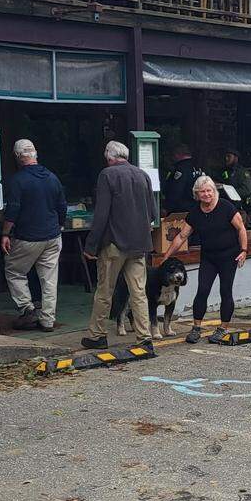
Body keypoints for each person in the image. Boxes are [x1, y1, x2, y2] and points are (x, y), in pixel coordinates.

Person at [82, 140, 159, 349]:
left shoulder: (107, 175)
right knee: (139, 292)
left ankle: (97, 335)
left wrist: (91, 246)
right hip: (140, 244)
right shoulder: (142, 175)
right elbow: (153, 213)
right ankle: (144, 337)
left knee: (105, 290)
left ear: (108, 157)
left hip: (114, 244)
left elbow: (101, 214)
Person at [161, 175, 249, 344]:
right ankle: (196, 328)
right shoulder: (195, 213)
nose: (207, 194)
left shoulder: (226, 207)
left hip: (228, 256)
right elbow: (181, 236)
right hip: (208, 257)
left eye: (209, 191)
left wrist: (244, 250)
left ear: (214, 191)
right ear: (197, 194)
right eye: (203, 192)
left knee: (225, 291)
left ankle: (223, 327)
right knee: (202, 290)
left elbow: (241, 229)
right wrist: (166, 256)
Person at [1, 139, 66, 332]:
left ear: (18, 157)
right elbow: (62, 206)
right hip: (53, 236)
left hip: (27, 237)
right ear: (35, 154)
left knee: (14, 271)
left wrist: (5, 233)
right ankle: (47, 320)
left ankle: (27, 309)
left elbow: (13, 210)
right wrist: (59, 224)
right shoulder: (52, 177)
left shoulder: (18, 180)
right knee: (49, 279)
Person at [163, 144, 204, 214]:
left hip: (182, 210)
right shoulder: (198, 167)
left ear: (177, 154)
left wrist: (167, 207)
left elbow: (176, 190)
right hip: (198, 207)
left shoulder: (181, 169)